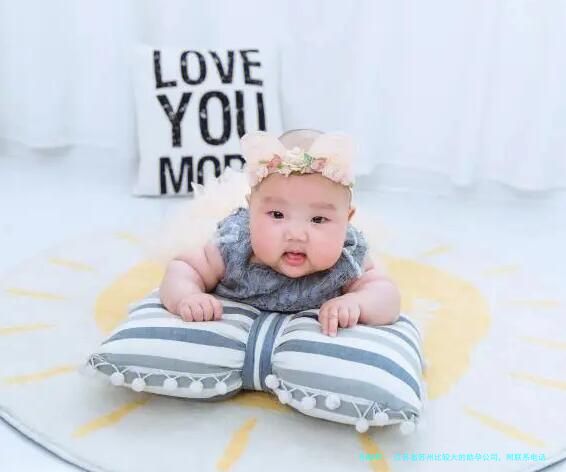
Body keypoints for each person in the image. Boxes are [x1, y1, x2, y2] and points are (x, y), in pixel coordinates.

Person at [159, 129, 401, 336]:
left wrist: (357, 303)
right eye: (277, 215)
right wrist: (188, 296)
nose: (296, 234)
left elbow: (387, 296)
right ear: (251, 212)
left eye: (318, 219)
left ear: (346, 222)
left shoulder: (346, 259)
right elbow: (183, 268)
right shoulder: (234, 249)